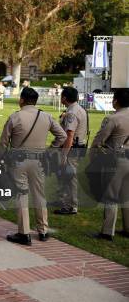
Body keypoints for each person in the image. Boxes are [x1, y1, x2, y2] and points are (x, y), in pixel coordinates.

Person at [0, 87, 66, 245]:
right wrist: (50, 149)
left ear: (22, 99)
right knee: (39, 194)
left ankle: (24, 233)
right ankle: (43, 230)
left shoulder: (15, 117)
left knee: (22, 194)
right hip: (39, 160)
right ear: (35, 101)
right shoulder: (46, 116)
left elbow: (3, 142)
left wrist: (0, 160)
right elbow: (62, 136)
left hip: (18, 160)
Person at [90, 88, 129, 241]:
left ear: (116, 101)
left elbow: (100, 140)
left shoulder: (113, 118)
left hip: (116, 160)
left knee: (111, 196)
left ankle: (107, 231)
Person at [55, 87, 88, 215]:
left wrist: (64, 154)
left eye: (62, 95)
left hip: (71, 149)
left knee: (70, 177)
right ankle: (65, 201)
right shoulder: (79, 109)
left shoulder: (72, 113)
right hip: (78, 147)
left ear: (64, 98)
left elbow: (69, 135)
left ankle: (70, 206)